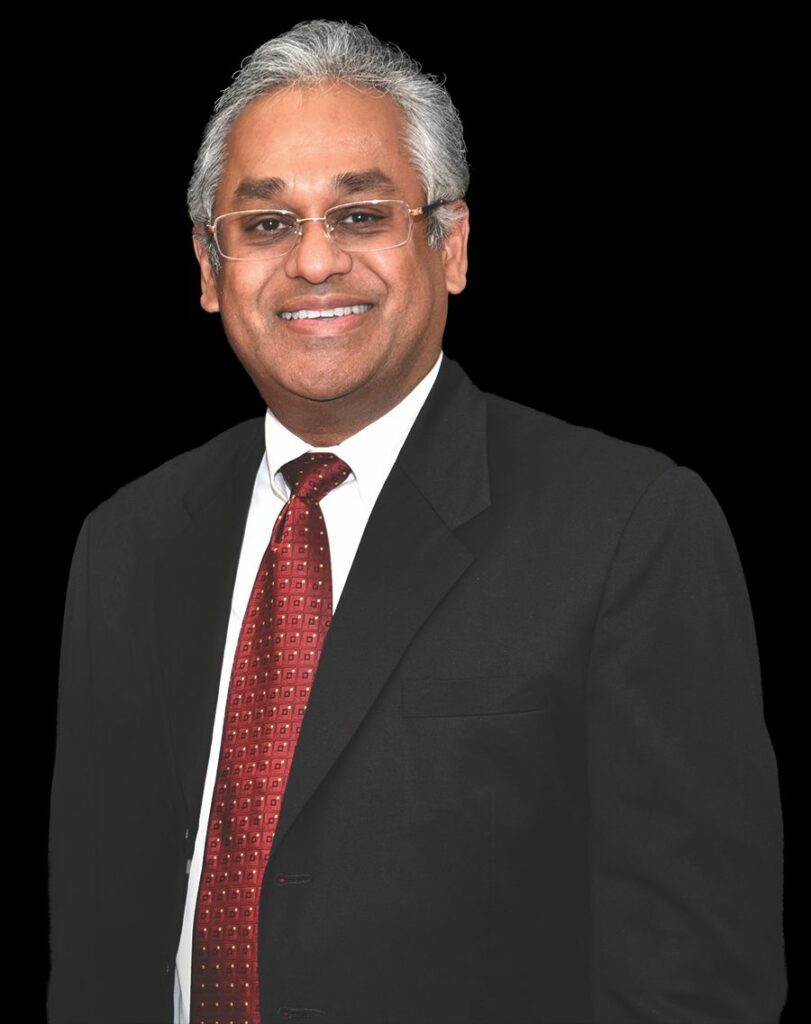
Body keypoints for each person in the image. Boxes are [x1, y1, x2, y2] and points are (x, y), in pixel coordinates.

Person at [47, 18, 786, 1024]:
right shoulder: (127, 543)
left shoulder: (629, 531)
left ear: (451, 246)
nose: (314, 261)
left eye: (360, 215)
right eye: (266, 224)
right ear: (210, 269)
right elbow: (98, 943)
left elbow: (694, 980)